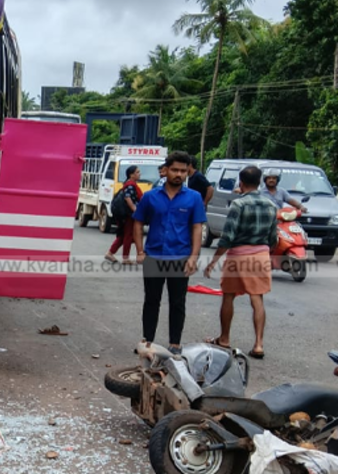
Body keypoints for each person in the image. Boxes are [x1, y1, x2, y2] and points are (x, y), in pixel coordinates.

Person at [133, 151, 207, 355]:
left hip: (180, 257)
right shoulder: (150, 196)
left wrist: (193, 257)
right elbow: (138, 222)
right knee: (151, 301)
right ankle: (147, 341)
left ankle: (175, 343)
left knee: (177, 302)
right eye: (175, 170)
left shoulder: (194, 198)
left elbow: (197, 228)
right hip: (153, 255)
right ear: (165, 171)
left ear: (187, 172)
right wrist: (140, 250)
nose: (179, 174)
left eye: (183, 171)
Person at [204, 166, 278, 359]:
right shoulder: (271, 205)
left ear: (241, 183)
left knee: (228, 296)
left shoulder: (238, 204)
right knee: (257, 298)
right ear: (260, 182)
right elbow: (273, 238)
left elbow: (227, 237)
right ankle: (259, 344)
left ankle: (224, 338)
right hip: (261, 254)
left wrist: (213, 261)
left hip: (238, 255)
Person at [105, 165, 144, 264]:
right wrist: (135, 210)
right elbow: (128, 198)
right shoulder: (130, 185)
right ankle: (125, 258)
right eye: (137, 172)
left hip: (128, 214)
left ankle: (110, 253)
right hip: (128, 215)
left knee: (124, 235)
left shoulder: (130, 184)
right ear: (131, 175)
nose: (139, 174)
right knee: (128, 235)